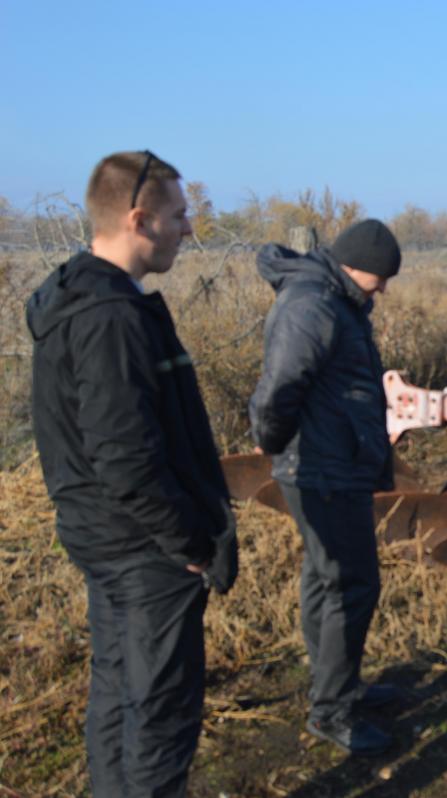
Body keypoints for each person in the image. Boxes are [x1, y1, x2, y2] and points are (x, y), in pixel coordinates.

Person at [25, 150, 238, 797]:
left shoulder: (85, 299)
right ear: (139, 219)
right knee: (159, 715)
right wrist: (192, 545)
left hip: (106, 537)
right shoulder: (109, 318)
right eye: (179, 215)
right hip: (144, 551)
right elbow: (125, 458)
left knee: (119, 692)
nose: (189, 227)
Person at [248, 219, 403, 755]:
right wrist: (275, 444)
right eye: (380, 278)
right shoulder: (313, 304)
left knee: (325, 577)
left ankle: (336, 684)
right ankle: (332, 711)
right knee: (352, 585)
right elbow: (280, 387)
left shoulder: (335, 299)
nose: (382, 288)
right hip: (320, 466)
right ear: (354, 265)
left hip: (330, 461)